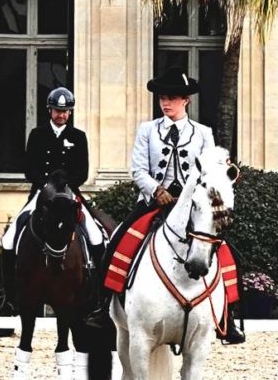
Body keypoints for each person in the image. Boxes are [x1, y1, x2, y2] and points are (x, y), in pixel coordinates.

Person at [85, 67, 244, 343]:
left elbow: (210, 171)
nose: (165, 103)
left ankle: (229, 317)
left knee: (227, 252)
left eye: (171, 98)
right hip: (153, 204)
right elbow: (138, 169)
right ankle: (102, 306)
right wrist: (155, 189)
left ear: (186, 101)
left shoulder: (203, 133)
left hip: (190, 206)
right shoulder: (147, 130)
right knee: (118, 243)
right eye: (162, 98)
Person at [0, 88, 105, 314]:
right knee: (9, 238)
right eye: (58, 111)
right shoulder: (37, 134)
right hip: (42, 193)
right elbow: (29, 169)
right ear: (50, 110)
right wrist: (47, 186)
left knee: (96, 237)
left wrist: (64, 184)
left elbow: (82, 172)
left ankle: (99, 297)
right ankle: (8, 296)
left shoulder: (78, 137)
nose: (62, 115)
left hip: (69, 193)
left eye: (66, 112)